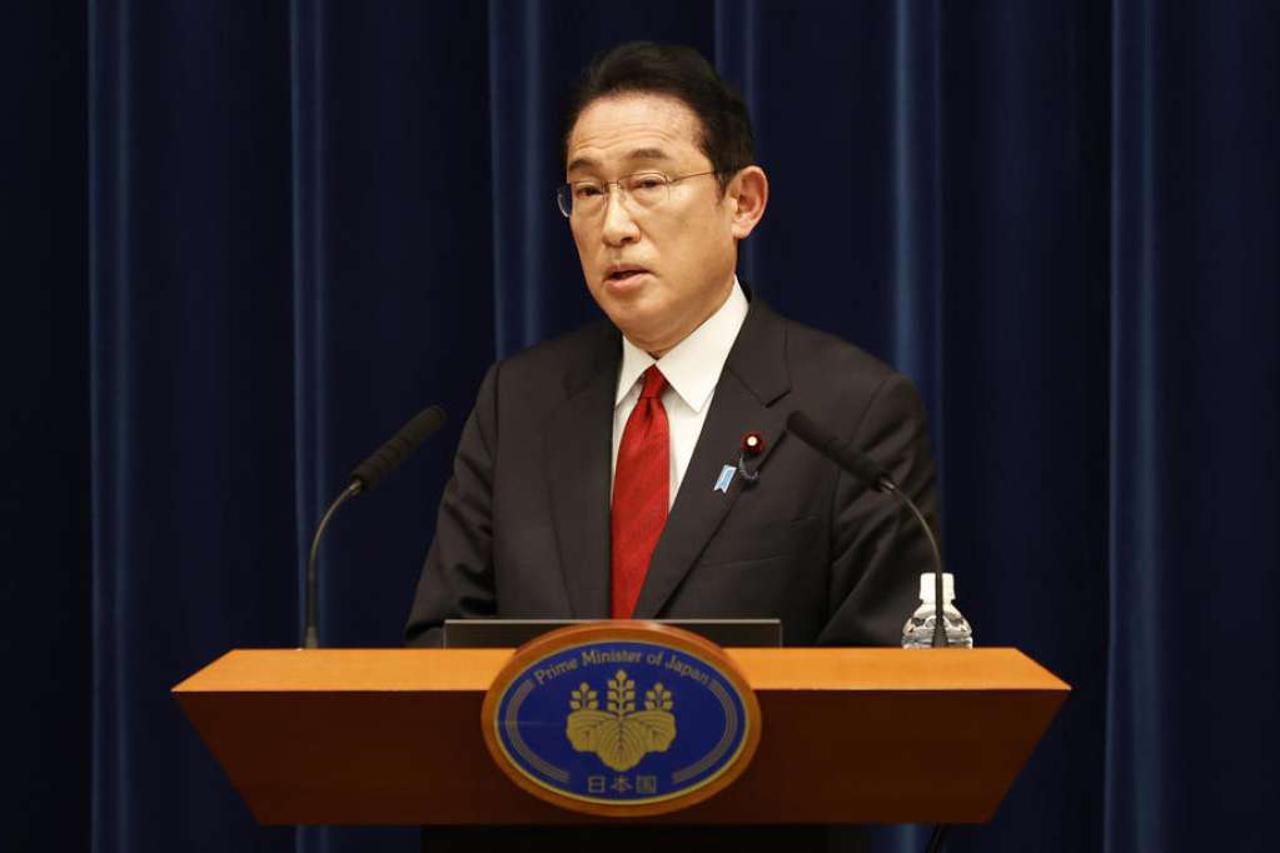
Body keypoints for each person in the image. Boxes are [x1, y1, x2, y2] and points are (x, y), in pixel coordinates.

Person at [405, 41, 938, 655]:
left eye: (648, 183)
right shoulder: (519, 403)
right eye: (588, 191)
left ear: (742, 202)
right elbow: (441, 645)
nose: (615, 226)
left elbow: (882, 678)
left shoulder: (852, 413)